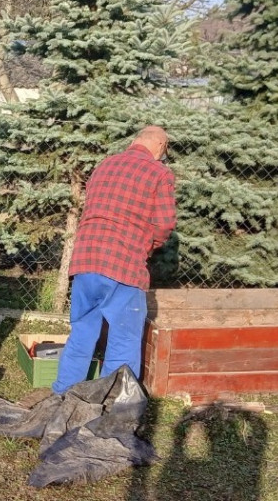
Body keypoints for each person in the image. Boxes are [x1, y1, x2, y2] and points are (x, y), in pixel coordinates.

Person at [52, 125, 176, 394]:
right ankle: (114, 403)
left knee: (82, 333)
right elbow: (165, 224)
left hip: (86, 260)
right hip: (124, 264)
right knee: (124, 338)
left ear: (135, 142)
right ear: (161, 147)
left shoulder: (105, 165)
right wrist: (150, 246)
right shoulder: (159, 173)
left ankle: (63, 394)